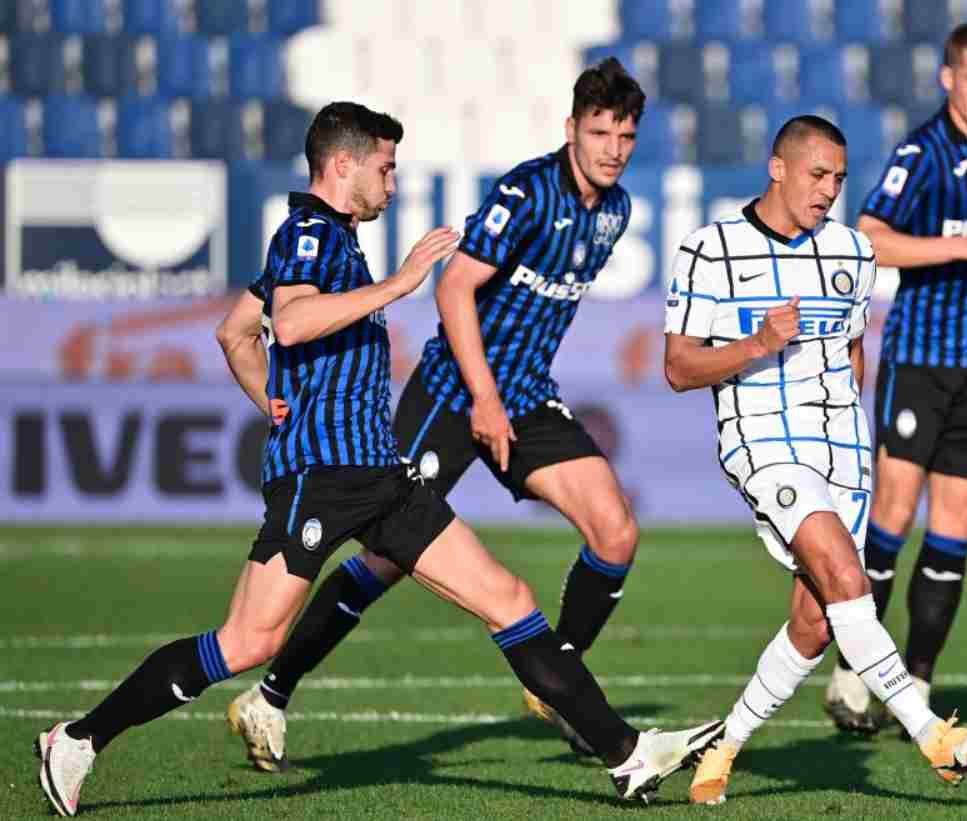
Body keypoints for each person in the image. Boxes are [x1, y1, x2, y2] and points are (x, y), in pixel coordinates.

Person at [33, 101, 721, 817]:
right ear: (343, 165)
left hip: (383, 476)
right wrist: (396, 286)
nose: (392, 183)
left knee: (509, 598)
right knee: (247, 641)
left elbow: (236, 331)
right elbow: (290, 322)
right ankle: (79, 740)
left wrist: (268, 396)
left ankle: (625, 754)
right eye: (385, 168)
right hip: (320, 480)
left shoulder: (334, 238)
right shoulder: (307, 233)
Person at [226, 57, 648, 771]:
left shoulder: (616, 211)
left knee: (616, 530)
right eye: (600, 131)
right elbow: (456, 289)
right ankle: (271, 691)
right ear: (570, 129)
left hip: (525, 396)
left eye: (626, 135)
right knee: (384, 561)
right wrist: (482, 394)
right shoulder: (527, 190)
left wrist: (507, 394)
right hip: (454, 392)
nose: (613, 148)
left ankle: (560, 685)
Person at [661, 115, 967, 806]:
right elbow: (678, 366)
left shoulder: (850, 251)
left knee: (815, 622)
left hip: (840, 452)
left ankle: (723, 747)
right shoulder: (710, 249)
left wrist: (856, 430)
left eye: (839, 179)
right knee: (850, 577)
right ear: (777, 168)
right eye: (817, 174)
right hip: (762, 444)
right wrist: (756, 345)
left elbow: (851, 349)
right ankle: (932, 732)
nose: (828, 190)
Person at [822, 22, 967, 736]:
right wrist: (959, 243)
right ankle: (855, 668)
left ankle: (916, 678)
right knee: (892, 514)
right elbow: (866, 234)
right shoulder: (922, 153)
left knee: (957, 524)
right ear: (948, 79)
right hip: (921, 357)